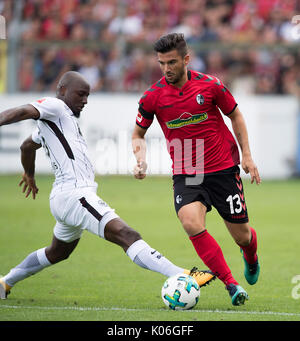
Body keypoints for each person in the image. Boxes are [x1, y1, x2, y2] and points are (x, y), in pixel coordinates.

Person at [0, 71, 215, 300]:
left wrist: (29, 174)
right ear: (63, 90)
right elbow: (22, 111)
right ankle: (183, 275)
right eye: (81, 94)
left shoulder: (58, 121)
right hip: (76, 196)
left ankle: (5, 282)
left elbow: (26, 146)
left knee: (57, 252)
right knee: (127, 234)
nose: (85, 101)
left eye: (88, 96)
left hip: (65, 197)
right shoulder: (55, 106)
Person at [132, 33, 261, 306]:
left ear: (186, 60)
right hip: (187, 171)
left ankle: (250, 256)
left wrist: (247, 155)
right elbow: (138, 135)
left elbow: (235, 114)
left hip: (223, 168)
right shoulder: (152, 97)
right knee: (190, 222)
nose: (166, 69)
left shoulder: (211, 85)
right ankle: (231, 284)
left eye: (172, 62)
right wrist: (140, 158)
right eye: (161, 63)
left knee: (243, 235)